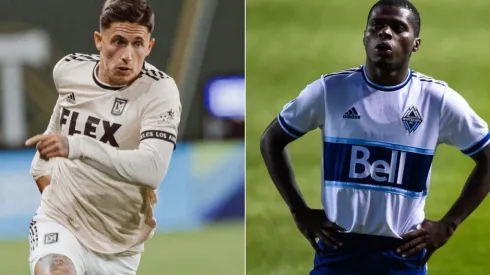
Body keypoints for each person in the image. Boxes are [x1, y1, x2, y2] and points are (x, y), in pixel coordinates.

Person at [260, 0, 490, 274]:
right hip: (338, 252)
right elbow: (271, 140)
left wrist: (448, 225)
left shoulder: (436, 101)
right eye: (377, 26)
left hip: (402, 254)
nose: (385, 33)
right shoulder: (330, 91)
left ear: (415, 43)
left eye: (398, 27)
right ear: (365, 37)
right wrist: (299, 210)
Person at [25, 0, 181, 274]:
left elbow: (153, 169)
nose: (127, 55)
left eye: (137, 44)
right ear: (99, 40)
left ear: (150, 46)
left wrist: (76, 146)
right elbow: (52, 139)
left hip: (120, 247)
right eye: (118, 42)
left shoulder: (159, 92)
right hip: (60, 222)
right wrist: (47, 182)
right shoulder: (69, 71)